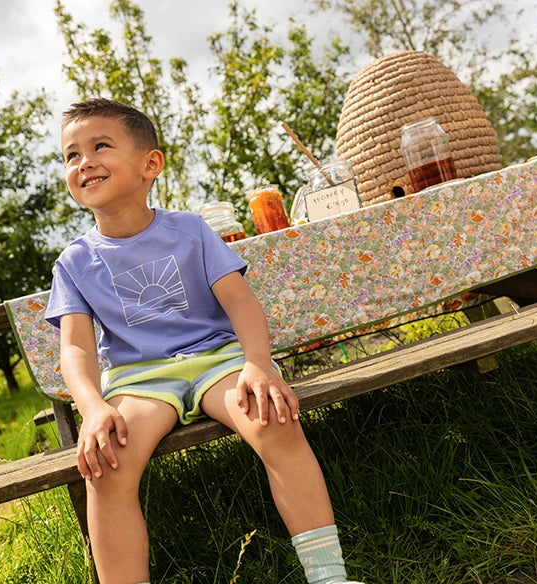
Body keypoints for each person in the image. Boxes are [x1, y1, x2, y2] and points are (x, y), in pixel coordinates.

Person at [45, 98, 364, 584]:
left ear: (150, 164)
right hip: (140, 379)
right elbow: (77, 349)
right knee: (106, 464)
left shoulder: (191, 231)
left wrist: (258, 364)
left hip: (220, 361)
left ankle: (329, 577)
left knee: (273, 419)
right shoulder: (75, 262)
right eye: (71, 155)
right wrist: (92, 408)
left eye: (100, 146)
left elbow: (240, 303)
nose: (83, 161)